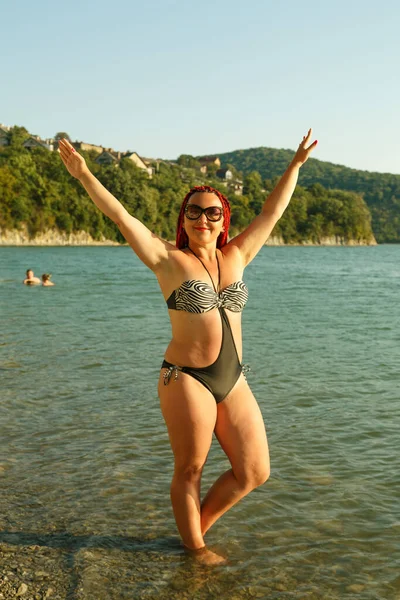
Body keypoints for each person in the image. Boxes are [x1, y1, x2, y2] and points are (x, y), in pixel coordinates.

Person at [58, 130, 317, 565]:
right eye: (194, 211)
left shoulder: (237, 255)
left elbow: (273, 213)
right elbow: (122, 216)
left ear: (223, 218)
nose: (203, 219)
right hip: (186, 378)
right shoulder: (167, 259)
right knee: (190, 468)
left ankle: (195, 531)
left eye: (211, 212)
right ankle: (195, 553)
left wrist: (293, 167)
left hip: (233, 378)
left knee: (254, 471)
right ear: (184, 218)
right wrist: (84, 175)